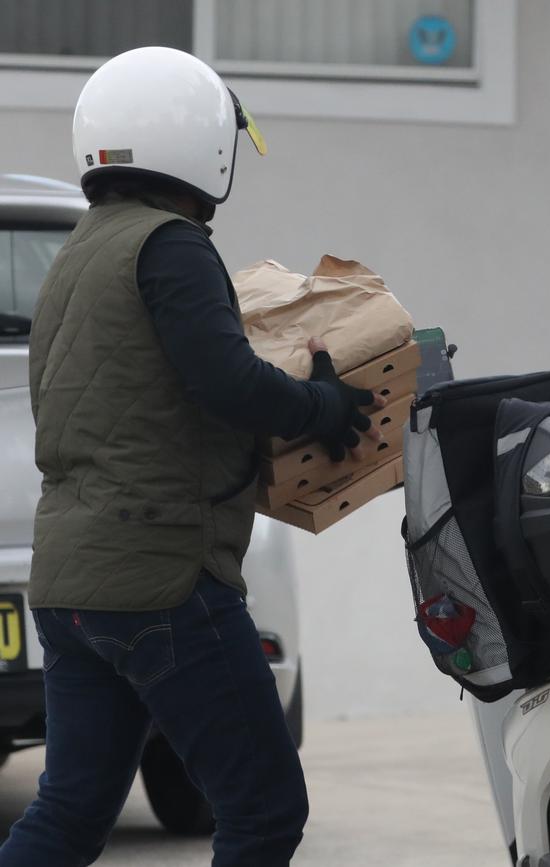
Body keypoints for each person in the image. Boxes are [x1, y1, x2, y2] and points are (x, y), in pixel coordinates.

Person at [0, 46, 385, 867]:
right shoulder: (169, 245)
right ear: (201, 143)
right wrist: (325, 404)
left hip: (71, 584)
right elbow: (228, 382)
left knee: (67, 816)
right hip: (163, 579)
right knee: (265, 808)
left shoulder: (72, 256)